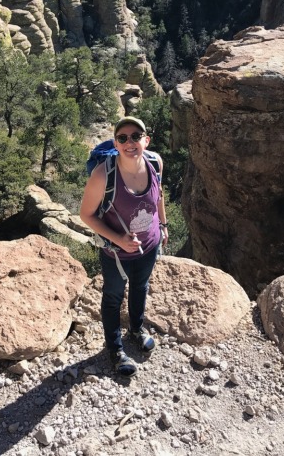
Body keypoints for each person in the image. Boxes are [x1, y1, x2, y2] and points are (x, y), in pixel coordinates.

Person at [80, 116, 168, 376]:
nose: (130, 142)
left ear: (146, 140)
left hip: (149, 246)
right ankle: (115, 349)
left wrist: (163, 225)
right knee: (113, 297)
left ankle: (136, 329)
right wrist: (119, 240)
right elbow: (86, 215)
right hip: (116, 253)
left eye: (135, 136)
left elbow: (159, 195)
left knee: (141, 287)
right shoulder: (103, 174)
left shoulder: (154, 162)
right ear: (116, 144)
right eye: (122, 138)